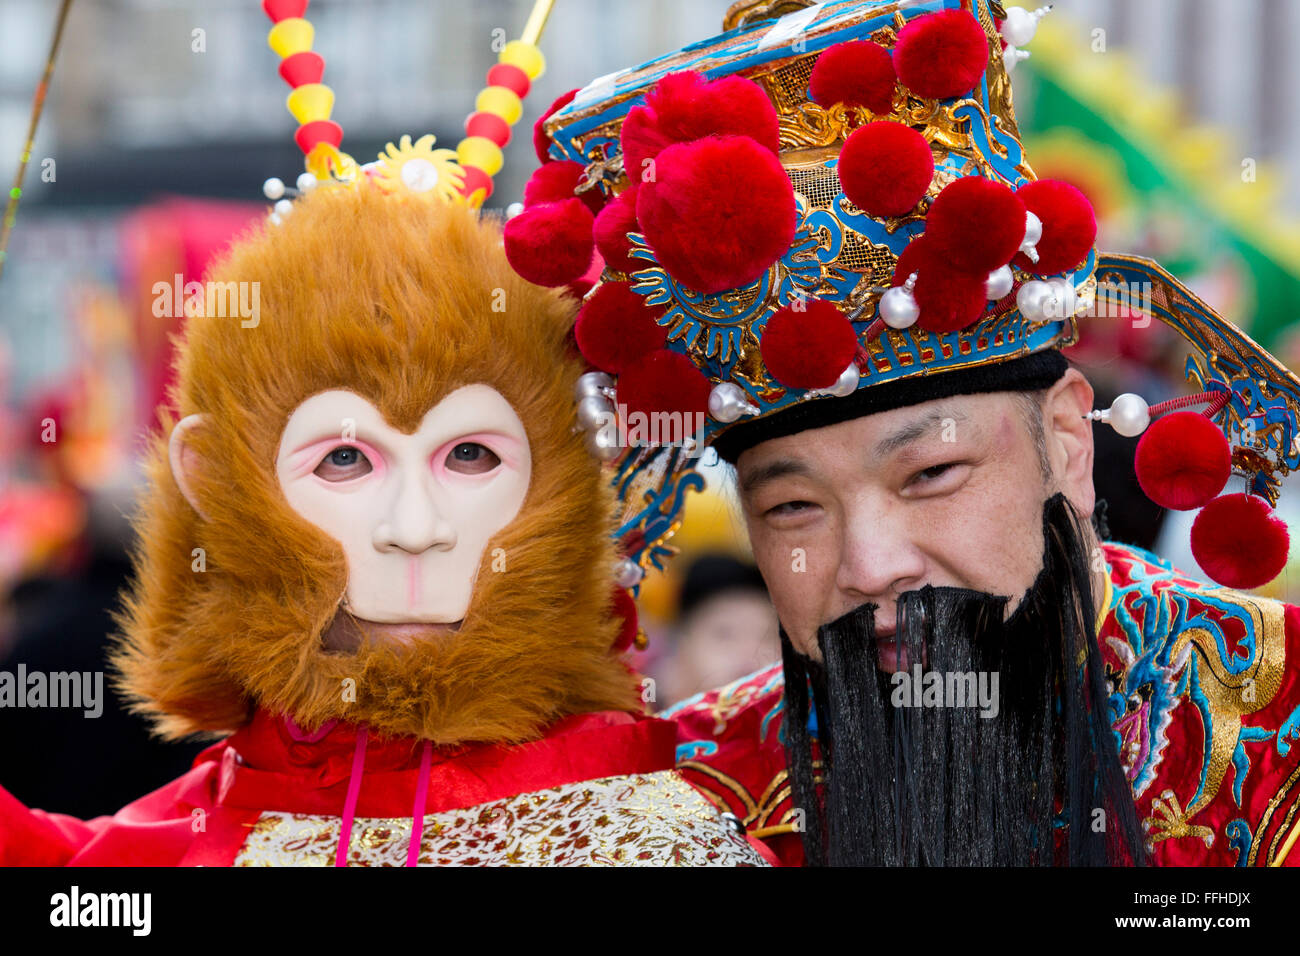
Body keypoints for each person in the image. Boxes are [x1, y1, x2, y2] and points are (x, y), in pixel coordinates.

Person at [513, 0, 1300, 865]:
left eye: (930, 474)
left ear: (1069, 441)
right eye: (794, 507)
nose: (868, 566)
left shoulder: (1278, 720)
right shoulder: (680, 807)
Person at [0, 4, 768, 867]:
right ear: (215, 480)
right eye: (345, 458)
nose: (415, 524)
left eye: (470, 455)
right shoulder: (139, 859)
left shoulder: (699, 806)